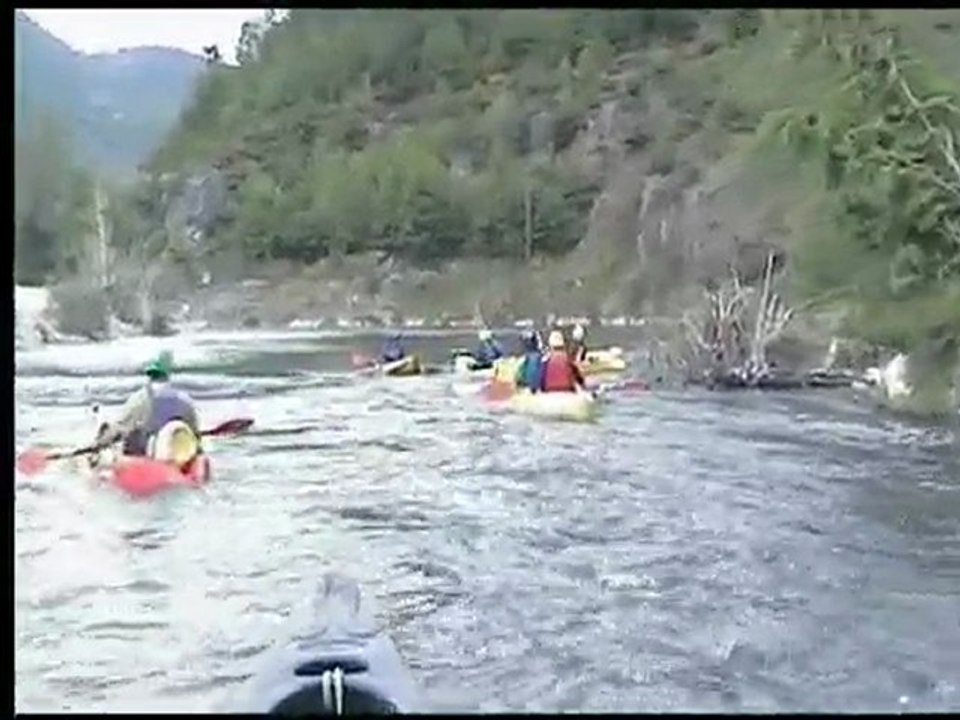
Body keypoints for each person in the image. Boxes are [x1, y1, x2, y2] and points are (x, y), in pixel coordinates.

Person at [95, 351, 202, 463]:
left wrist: (100, 443)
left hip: (148, 456)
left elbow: (120, 428)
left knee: (129, 434)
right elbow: (195, 434)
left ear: (149, 375)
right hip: (177, 456)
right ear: (168, 374)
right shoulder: (184, 400)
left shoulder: (140, 399)